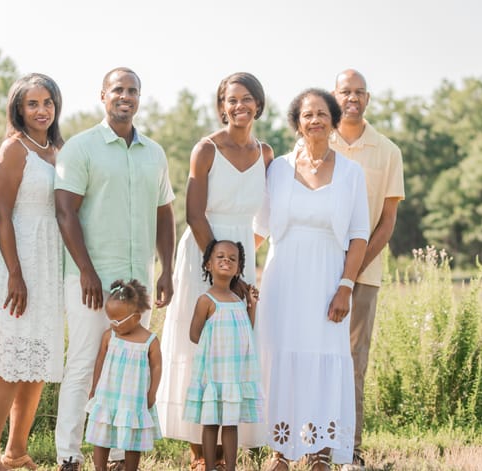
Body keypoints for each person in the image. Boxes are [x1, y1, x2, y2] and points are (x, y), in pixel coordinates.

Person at [54, 67, 176, 471]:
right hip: (92, 278)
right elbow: (65, 212)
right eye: (118, 90)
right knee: (86, 361)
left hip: (138, 281)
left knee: (132, 367)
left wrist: (167, 270)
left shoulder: (155, 153)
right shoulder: (81, 147)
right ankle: (69, 454)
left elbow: (165, 215)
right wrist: (87, 272)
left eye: (133, 91)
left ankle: (122, 454)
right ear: (102, 96)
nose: (126, 96)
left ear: (140, 98)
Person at [157, 72, 273, 471]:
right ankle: (198, 450)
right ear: (222, 106)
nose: (239, 106)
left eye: (246, 99)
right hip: (204, 256)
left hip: (241, 255)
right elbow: (193, 213)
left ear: (258, 103)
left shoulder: (267, 154)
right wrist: (222, 269)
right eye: (231, 100)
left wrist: (244, 264)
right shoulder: (205, 149)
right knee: (200, 345)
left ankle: (227, 451)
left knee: (237, 346)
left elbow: (264, 218)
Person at [254, 89, 370, 471]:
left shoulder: (352, 172)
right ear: (297, 122)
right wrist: (228, 272)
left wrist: (345, 286)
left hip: (326, 279)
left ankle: (318, 448)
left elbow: (358, 236)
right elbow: (260, 229)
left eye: (322, 113)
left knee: (323, 356)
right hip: (282, 276)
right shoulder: (278, 169)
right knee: (281, 353)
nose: (315, 120)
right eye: (307, 114)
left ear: (334, 120)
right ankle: (281, 449)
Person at [0, 73, 66, 471]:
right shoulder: (13, 149)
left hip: (48, 260)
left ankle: (17, 452)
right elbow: (2, 214)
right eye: (32, 104)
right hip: (15, 257)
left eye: (47, 102)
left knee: (37, 361)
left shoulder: (58, 149)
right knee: (10, 361)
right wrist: (15, 273)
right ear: (18, 109)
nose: (41, 110)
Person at [329, 69, 405, 471]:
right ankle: (314, 444)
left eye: (359, 92)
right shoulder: (316, 140)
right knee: (316, 354)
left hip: (365, 273)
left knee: (354, 359)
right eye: (345, 92)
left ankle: (351, 449)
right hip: (319, 268)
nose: (352, 98)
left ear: (368, 99)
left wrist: (354, 268)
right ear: (334, 95)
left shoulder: (388, 150)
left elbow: (387, 220)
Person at [184, 240, 263, 471]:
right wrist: (217, 346)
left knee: (230, 424)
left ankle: (230, 467)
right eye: (220, 256)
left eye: (232, 258)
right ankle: (209, 466)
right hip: (214, 372)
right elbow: (194, 334)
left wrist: (252, 304)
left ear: (238, 268)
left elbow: (247, 330)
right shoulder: (206, 301)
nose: (226, 260)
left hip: (234, 375)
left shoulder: (239, 302)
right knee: (211, 422)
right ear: (208, 264)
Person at [85, 279, 163, 471]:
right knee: (102, 435)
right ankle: (100, 468)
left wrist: (152, 393)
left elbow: (157, 367)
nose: (113, 324)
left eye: (117, 320)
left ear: (136, 317)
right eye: (110, 319)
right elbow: (100, 361)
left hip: (133, 398)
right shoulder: (109, 336)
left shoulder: (149, 341)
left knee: (132, 438)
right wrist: (94, 387)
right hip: (108, 393)